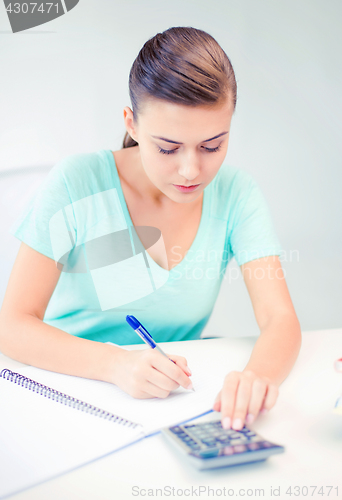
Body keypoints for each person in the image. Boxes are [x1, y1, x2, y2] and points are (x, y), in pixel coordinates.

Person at [0, 26, 301, 431]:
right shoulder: (76, 182)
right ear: (132, 124)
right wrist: (115, 364)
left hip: (169, 403)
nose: (192, 171)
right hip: (67, 393)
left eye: (212, 146)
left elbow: (279, 317)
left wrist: (257, 378)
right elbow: (12, 326)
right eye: (168, 147)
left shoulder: (236, 194)